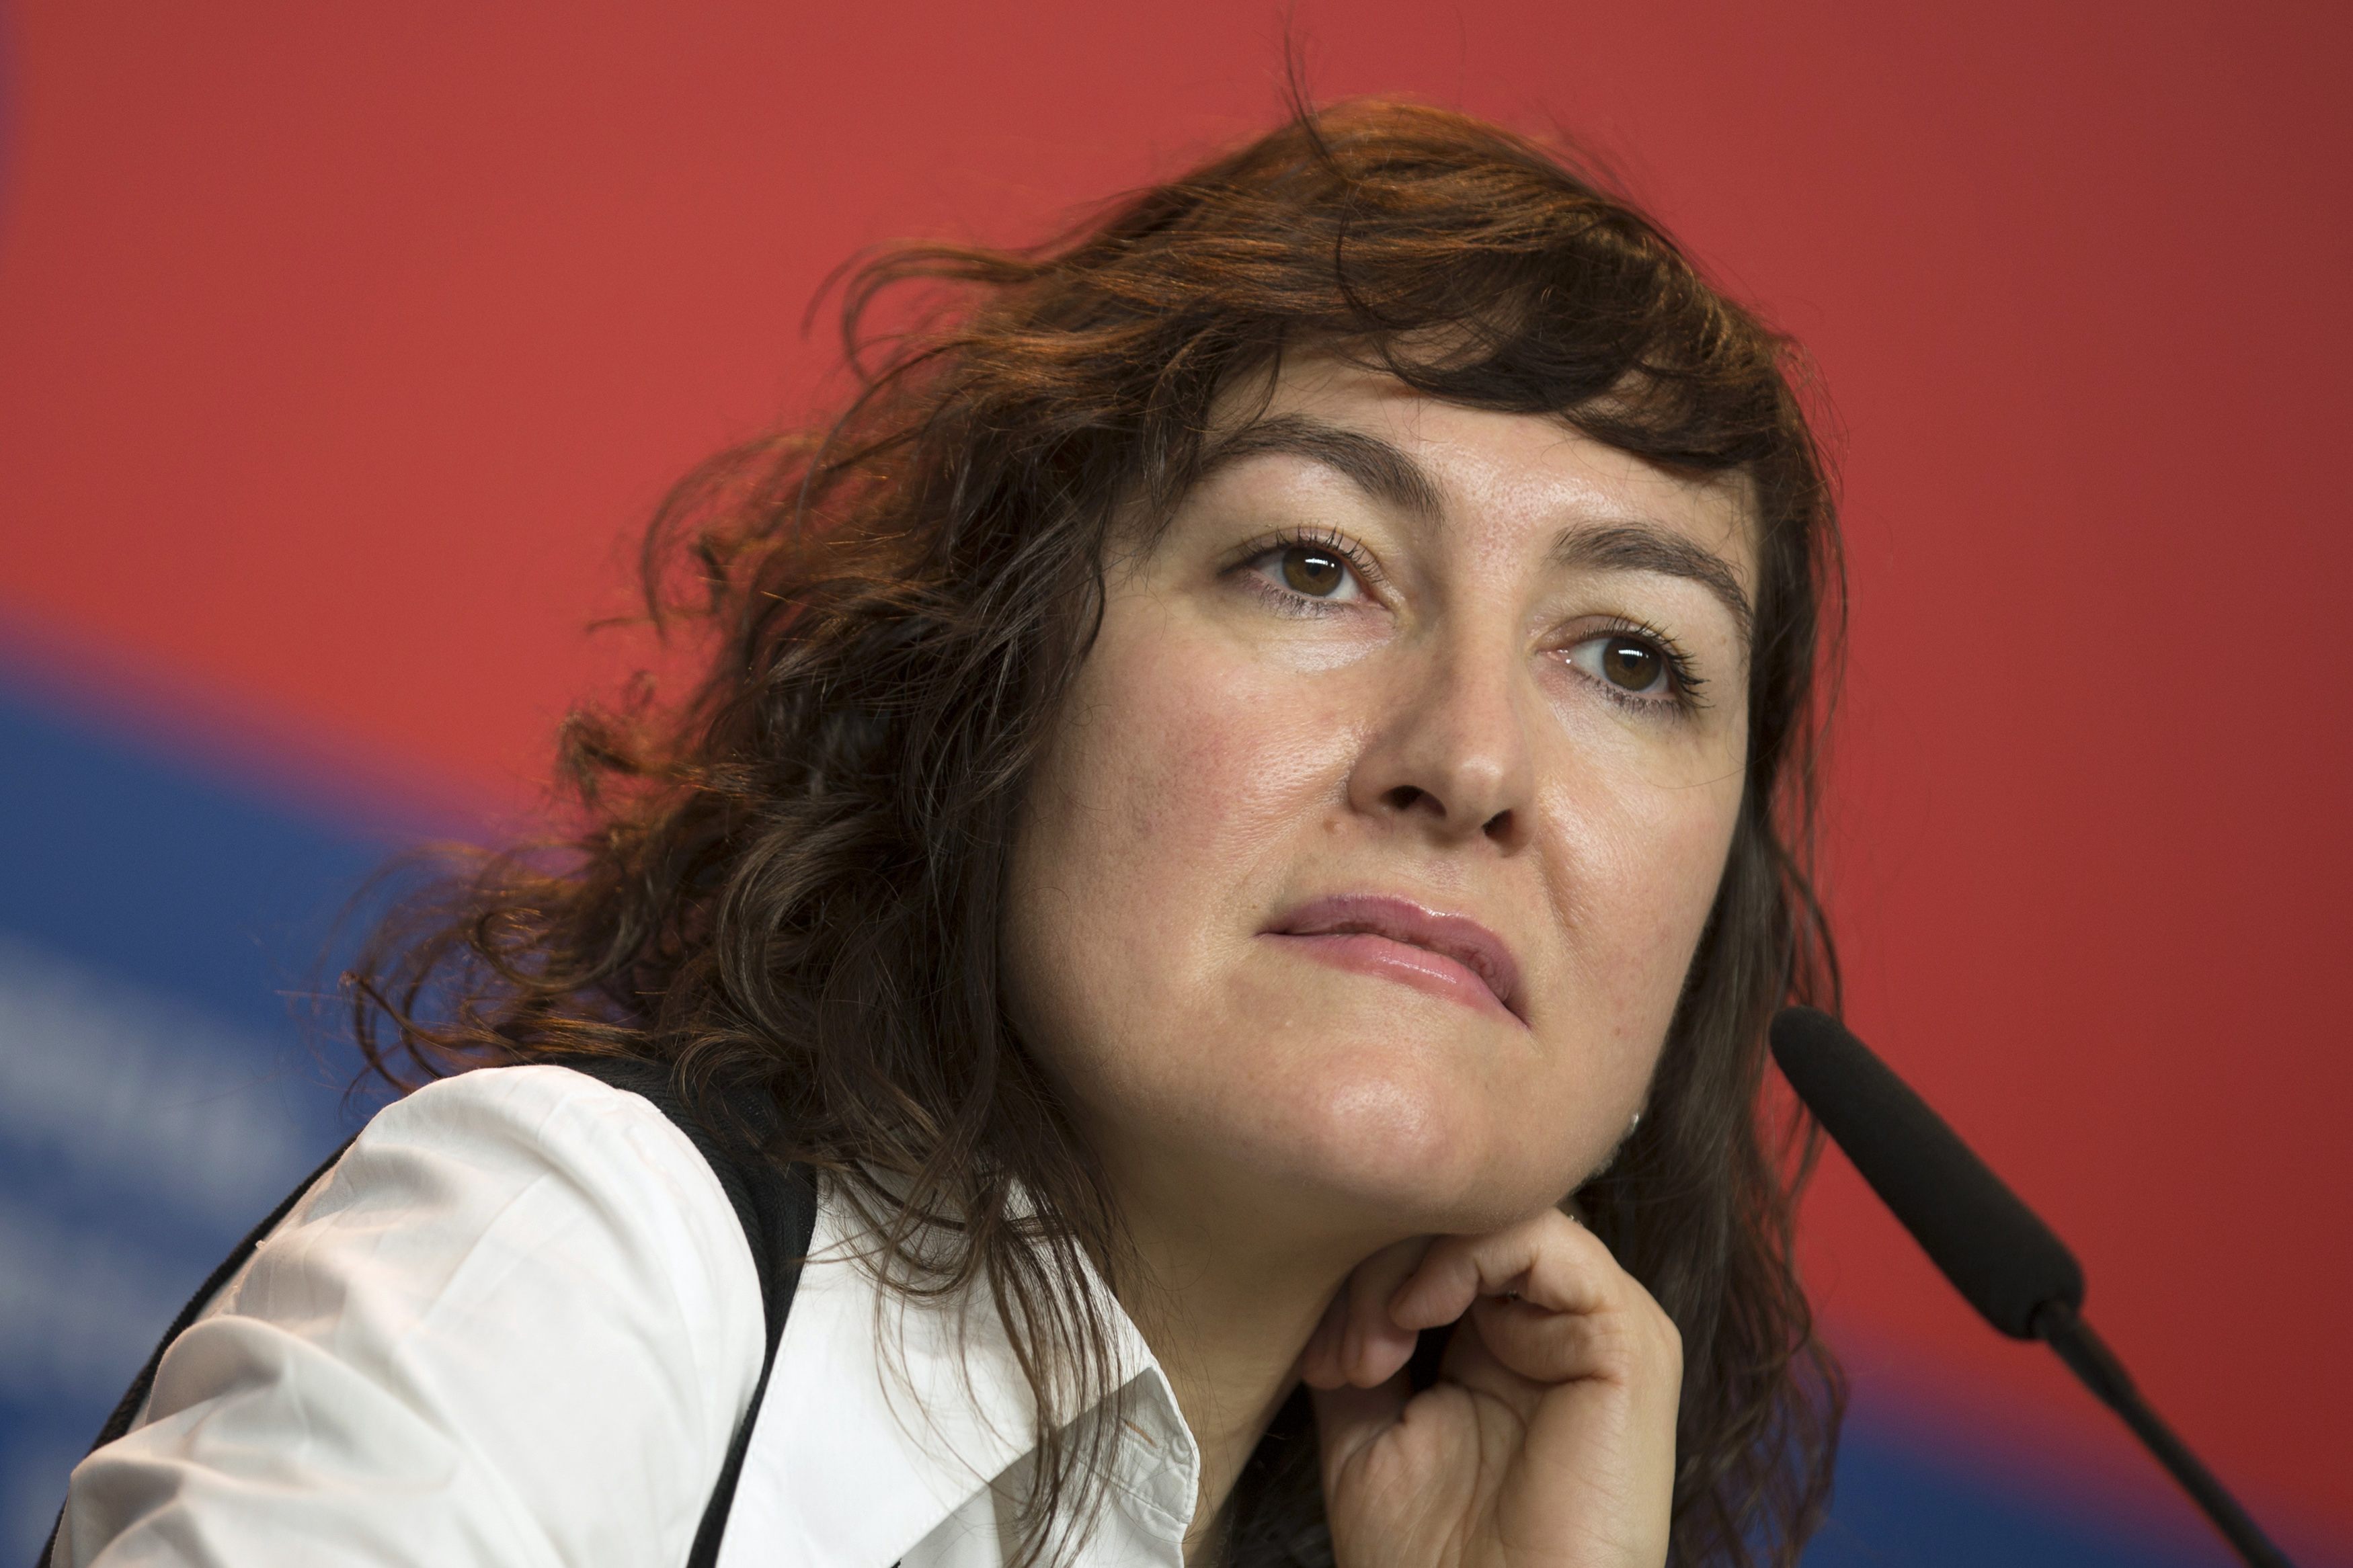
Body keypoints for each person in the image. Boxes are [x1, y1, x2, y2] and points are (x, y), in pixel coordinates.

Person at [50, 97, 1843, 1568]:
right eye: (1312, 566)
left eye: (1630, 659)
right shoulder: (579, 1264)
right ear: (998, 688)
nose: (1471, 760)